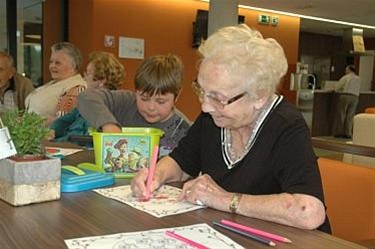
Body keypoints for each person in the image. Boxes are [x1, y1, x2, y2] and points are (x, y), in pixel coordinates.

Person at [131, 24, 331, 233]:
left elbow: (308, 211)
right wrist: (155, 176)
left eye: (218, 97)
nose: (205, 106)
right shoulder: (214, 117)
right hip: (228, 233)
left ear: (259, 96)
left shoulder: (287, 125)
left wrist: (223, 199)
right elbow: (181, 162)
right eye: (202, 90)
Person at [78, 54, 191, 157]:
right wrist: (108, 124)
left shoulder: (182, 129)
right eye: (144, 98)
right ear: (136, 91)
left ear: (176, 97)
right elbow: (86, 97)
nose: (151, 107)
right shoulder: (126, 102)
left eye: (160, 101)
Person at [49, 51, 125, 144]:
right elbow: (66, 120)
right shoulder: (87, 101)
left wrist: (55, 142)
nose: (84, 78)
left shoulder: (102, 105)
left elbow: (80, 138)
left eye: (88, 73)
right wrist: (53, 130)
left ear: (101, 81)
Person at [25, 42, 87, 126]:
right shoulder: (54, 83)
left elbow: (63, 123)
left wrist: (35, 121)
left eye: (58, 63)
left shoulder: (76, 88)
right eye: (51, 62)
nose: (52, 66)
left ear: (73, 66)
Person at [332, 65, 361, 139]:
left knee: (341, 114)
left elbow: (337, 87)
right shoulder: (358, 78)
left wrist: (337, 90)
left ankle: (339, 133)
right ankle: (348, 133)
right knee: (350, 116)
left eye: (346, 69)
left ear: (349, 70)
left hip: (345, 96)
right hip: (355, 97)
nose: (345, 71)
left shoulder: (346, 77)